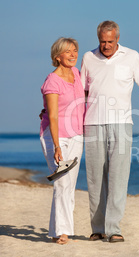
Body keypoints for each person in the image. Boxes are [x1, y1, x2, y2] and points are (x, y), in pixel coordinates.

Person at [81, 20, 139, 243]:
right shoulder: (88, 58)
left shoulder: (131, 56)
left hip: (122, 124)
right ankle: (98, 228)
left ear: (118, 39)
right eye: (102, 42)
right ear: (98, 39)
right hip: (93, 124)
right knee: (95, 178)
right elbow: (81, 92)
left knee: (118, 177)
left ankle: (113, 228)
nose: (106, 46)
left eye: (110, 41)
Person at [39, 37, 85, 244]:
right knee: (61, 182)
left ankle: (59, 230)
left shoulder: (76, 74)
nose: (73, 54)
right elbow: (54, 115)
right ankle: (62, 232)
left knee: (69, 183)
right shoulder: (52, 81)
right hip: (56, 136)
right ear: (57, 56)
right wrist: (57, 146)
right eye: (68, 51)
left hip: (77, 134)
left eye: (75, 50)